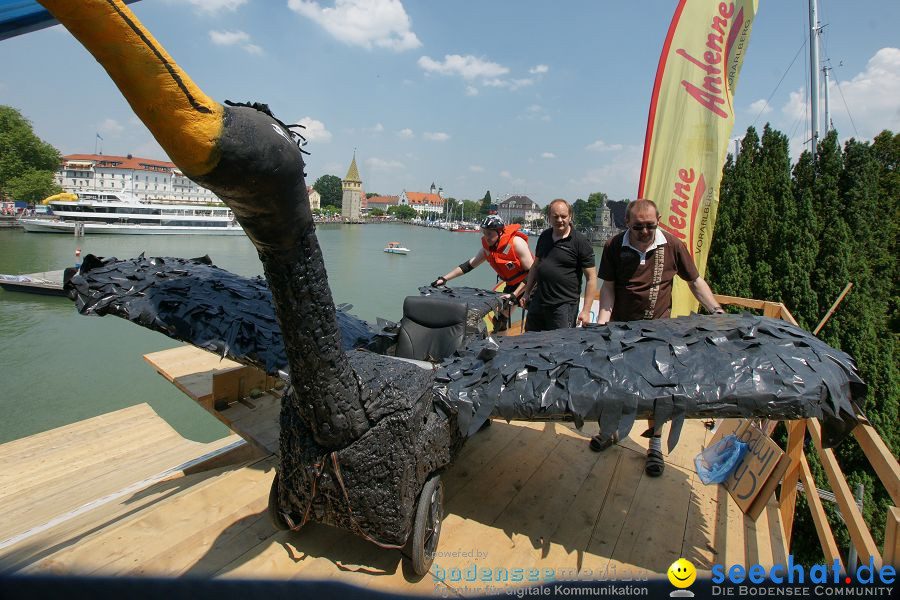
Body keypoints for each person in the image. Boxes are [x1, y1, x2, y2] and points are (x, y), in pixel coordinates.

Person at [592, 198, 725, 477]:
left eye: (650, 225)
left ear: (659, 220)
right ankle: (611, 431)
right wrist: (602, 321)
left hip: (658, 331)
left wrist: (715, 310)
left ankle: (654, 445)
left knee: (658, 392)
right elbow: (609, 288)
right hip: (621, 329)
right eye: (638, 226)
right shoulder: (614, 246)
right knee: (616, 385)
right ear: (627, 222)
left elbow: (695, 282)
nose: (644, 232)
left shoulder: (673, 245)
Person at [431, 215, 534, 329]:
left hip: (531, 284)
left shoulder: (517, 243)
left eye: (489, 234)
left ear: (500, 232)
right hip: (512, 285)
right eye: (484, 233)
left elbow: (533, 273)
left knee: (536, 319)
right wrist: (444, 279)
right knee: (499, 321)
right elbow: (468, 266)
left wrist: (515, 295)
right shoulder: (488, 249)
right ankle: (500, 344)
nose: (486, 237)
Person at [520, 199, 597, 331]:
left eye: (563, 216)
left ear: (570, 216)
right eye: (555, 216)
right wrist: (526, 293)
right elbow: (535, 266)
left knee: (560, 346)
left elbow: (591, 278)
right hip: (539, 300)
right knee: (529, 342)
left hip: (564, 305)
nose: (560, 220)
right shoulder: (544, 236)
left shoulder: (580, 241)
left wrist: (586, 310)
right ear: (549, 217)